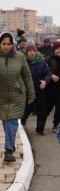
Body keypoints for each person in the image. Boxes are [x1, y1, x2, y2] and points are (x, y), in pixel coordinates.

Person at [0, 32, 35, 162]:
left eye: (9, 44)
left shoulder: (19, 57)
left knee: (12, 122)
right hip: (2, 96)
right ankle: (11, 144)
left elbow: (27, 75)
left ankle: (8, 150)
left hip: (17, 95)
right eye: (3, 44)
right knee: (5, 121)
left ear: (13, 44)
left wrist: (31, 93)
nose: (6, 46)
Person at [21, 42, 52, 135]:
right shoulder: (23, 62)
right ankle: (21, 125)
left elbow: (48, 73)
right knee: (25, 111)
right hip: (28, 91)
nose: (32, 52)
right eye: (29, 51)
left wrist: (45, 81)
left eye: (33, 50)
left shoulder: (41, 62)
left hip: (40, 90)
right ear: (27, 52)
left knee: (42, 111)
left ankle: (40, 129)